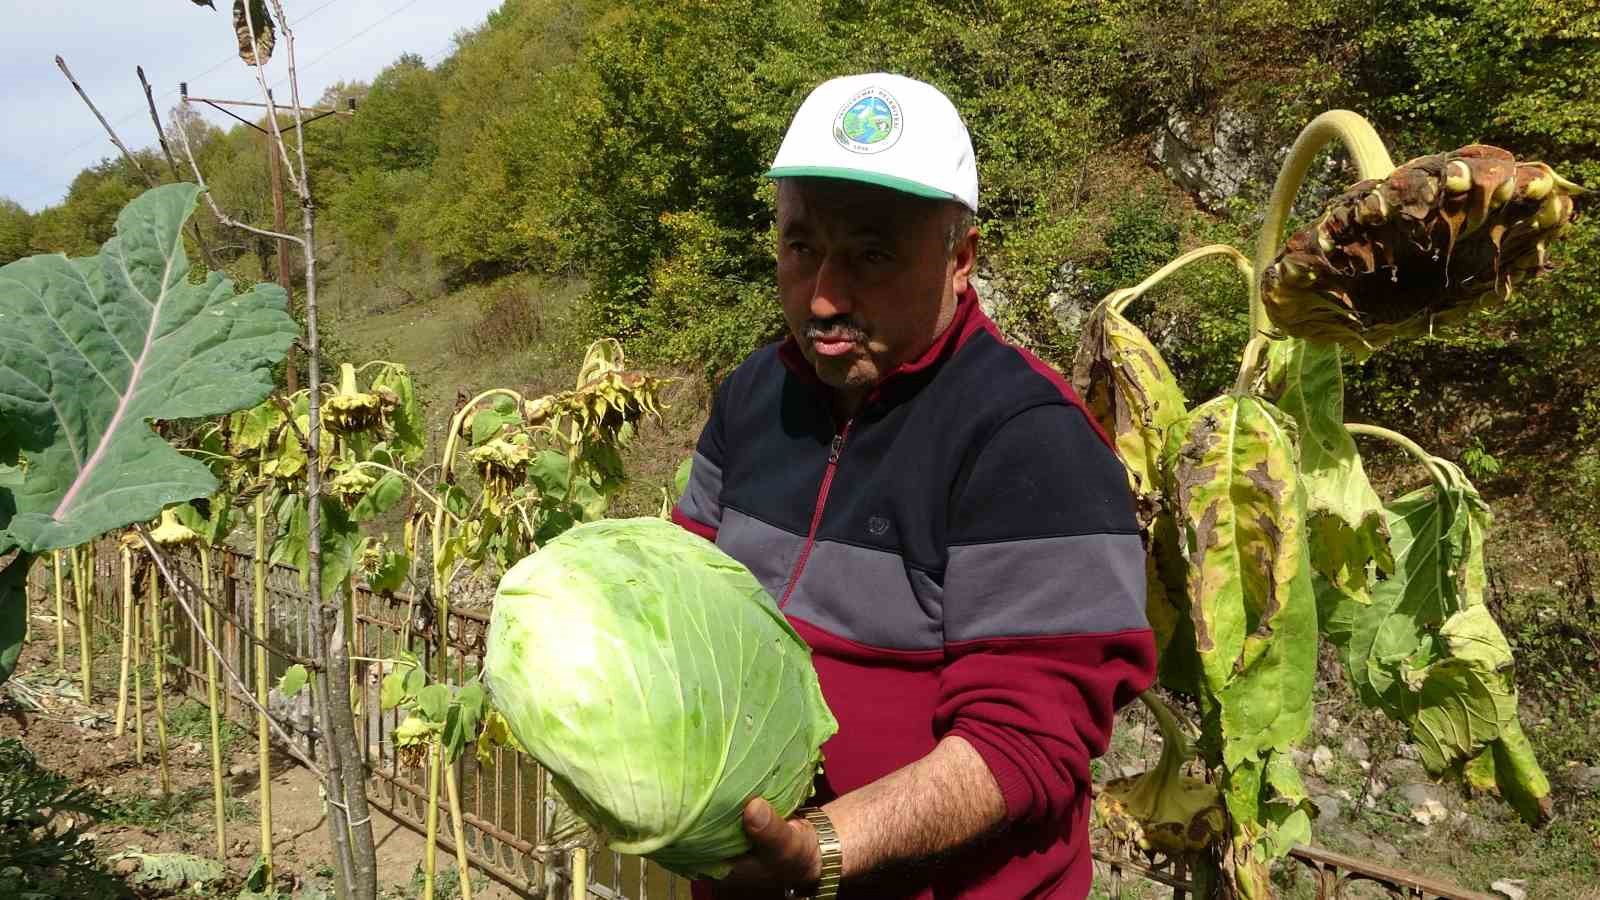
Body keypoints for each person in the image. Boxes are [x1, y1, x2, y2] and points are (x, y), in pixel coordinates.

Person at [671, 73, 1156, 899]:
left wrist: (820, 848)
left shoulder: (1032, 441)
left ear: (960, 259)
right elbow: (680, 600)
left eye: (871, 254)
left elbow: (1026, 740)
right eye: (801, 247)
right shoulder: (752, 397)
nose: (823, 295)